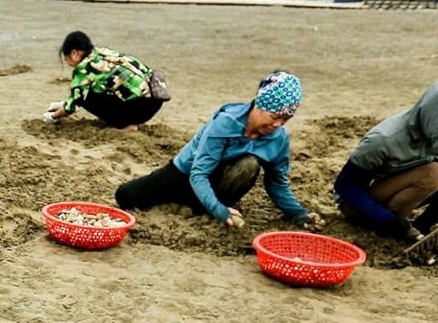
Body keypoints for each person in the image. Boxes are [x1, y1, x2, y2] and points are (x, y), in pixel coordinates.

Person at [114, 71, 317, 229]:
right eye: (275, 117)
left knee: (249, 165)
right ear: (259, 105)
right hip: (184, 174)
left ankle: (202, 207)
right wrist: (220, 211)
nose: (278, 124)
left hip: (221, 184)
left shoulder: (278, 139)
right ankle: (194, 203)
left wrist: (298, 213)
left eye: (285, 120)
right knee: (126, 196)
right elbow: (199, 172)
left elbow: (277, 183)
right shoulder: (226, 123)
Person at [334, 76, 438, 247]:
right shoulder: (384, 140)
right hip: (361, 204)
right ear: (435, 118)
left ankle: (422, 227)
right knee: (435, 173)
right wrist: (390, 222)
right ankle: (395, 228)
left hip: (414, 186)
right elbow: (345, 186)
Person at [43, 29, 166, 130]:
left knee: (87, 98)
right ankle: (128, 118)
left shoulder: (83, 68)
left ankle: (126, 124)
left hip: (140, 107)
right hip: (155, 98)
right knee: (97, 89)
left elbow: (73, 105)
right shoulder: (103, 52)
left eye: (66, 58)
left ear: (74, 53)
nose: (68, 63)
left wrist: (52, 117)